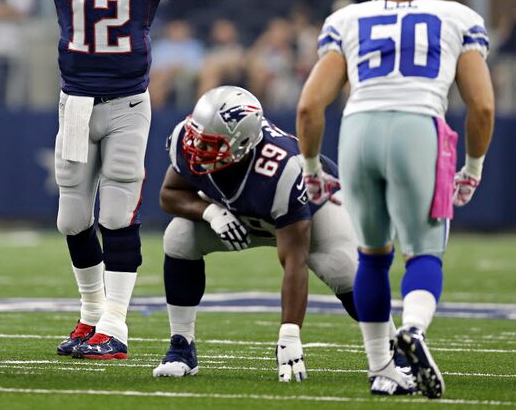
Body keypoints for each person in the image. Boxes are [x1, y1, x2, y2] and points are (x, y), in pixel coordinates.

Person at [0, 0, 232, 359]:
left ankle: (115, 325)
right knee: (71, 217)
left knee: (116, 213)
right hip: (74, 101)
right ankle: (90, 314)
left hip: (127, 104)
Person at [296, 0, 495, 399]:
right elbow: (482, 106)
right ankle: (416, 330)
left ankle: (381, 368)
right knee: (424, 251)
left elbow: (309, 106)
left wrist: (311, 164)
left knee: (371, 256)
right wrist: (474, 165)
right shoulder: (459, 17)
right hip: (417, 128)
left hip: (358, 128)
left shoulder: (347, 18)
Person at [152, 86, 412, 392]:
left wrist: (289, 335)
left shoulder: (282, 168)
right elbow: (170, 194)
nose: (197, 149)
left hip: (313, 210)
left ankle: (395, 350)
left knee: (344, 269)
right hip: (241, 215)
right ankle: (182, 346)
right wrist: (212, 213)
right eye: (197, 138)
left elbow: (294, 259)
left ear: (243, 143)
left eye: (211, 145)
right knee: (179, 236)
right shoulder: (188, 138)